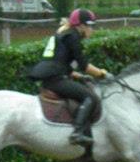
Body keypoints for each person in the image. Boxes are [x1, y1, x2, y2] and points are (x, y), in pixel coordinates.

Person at [28, 8, 110, 146]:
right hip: (55, 80)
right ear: (81, 26)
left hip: (53, 75)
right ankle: (77, 133)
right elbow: (84, 65)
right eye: (90, 25)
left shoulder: (65, 34)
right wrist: (102, 73)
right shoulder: (73, 37)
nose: (92, 29)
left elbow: (61, 62)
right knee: (90, 97)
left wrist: (78, 76)